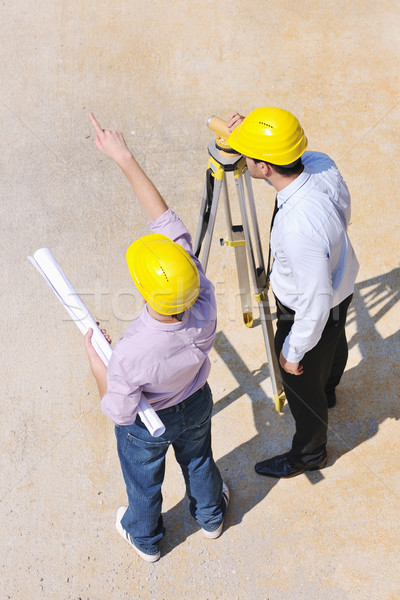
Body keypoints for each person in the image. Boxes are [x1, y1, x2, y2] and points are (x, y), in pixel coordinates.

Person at [84, 113, 229, 562]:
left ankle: (146, 539)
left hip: (152, 423)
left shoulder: (130, 353)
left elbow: (120, 410)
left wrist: (96, 359)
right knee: (200, 460)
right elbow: (164, 218)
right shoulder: (201, 296)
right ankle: (210, 516)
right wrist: (125, 157)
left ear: (144, 291)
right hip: (196, 401)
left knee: (144, 482)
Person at [227, 107, 359, 478]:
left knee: (301, 378)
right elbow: (343, 211)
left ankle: (309, 454)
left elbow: (315, 304)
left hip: (308, 306)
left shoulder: (298, 230)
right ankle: (329, 389)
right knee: (333, 343)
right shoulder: (320, 162)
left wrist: (292, 351)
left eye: (249, 157)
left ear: (265, 167)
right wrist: (248, 136)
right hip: (342, 282)